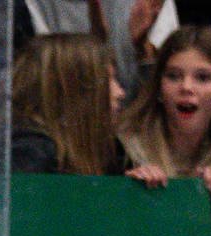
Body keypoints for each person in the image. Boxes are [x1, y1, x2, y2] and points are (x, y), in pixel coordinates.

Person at [120, 23, 211, 193]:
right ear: (158, 88)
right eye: (173, 76)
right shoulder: (121, 150)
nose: (186, 87)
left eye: (202, 78)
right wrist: (131, 191)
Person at [12, 33, 126, 174]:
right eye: (109, 79)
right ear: (75, 92)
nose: (120, 93)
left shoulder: (112, 153)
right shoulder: (32, 155)